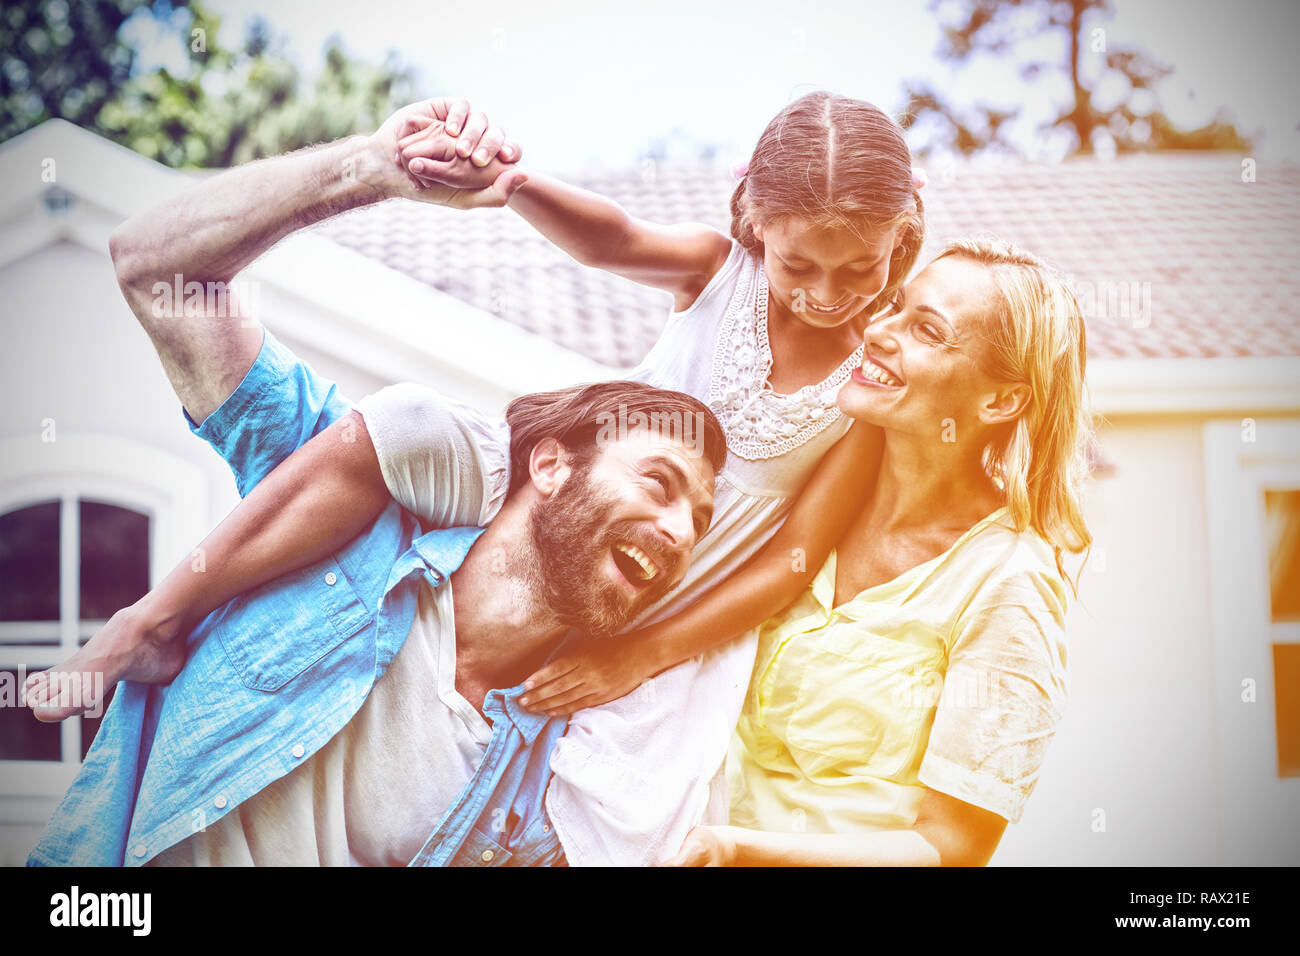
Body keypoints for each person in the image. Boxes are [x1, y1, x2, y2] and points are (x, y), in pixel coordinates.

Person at [33, 90, 927, 865]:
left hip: (660, 639)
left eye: (858, 270)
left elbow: (795, 558)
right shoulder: (344, 515)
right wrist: (403, 170)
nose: (823, 294)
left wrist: (641, 653)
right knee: (412, 420)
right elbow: (160, 268)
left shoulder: (554, 782)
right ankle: (147, 622)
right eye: (659, 483)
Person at [662, 238, 1093, 865]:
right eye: (893, 306)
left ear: (1001, 400)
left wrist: (735, 848)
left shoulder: (1008, 582)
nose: (879, 332)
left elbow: (952, 847)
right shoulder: (800, 496)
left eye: (926, 329)